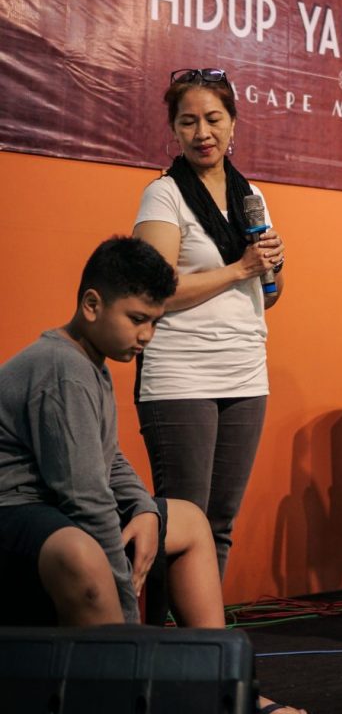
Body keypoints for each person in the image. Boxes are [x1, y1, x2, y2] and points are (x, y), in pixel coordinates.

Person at [0, 236, 304, 714]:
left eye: (155, 322)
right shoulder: (62, 367)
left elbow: (109, 459)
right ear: (92, 305)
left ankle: (223, 687)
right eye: (137, 319)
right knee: (81, 550)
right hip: (15, 509)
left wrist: (144, 509)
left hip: (49, 504)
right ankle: (131, 683)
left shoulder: (90, 362)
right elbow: (84, 497)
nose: (147, 335)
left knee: (190, 520)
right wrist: (130, 624)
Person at [133, 68, 284, 577]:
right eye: (189, 121)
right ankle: (160, 625)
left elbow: (269, 295)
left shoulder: (251, 196)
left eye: (214, 119)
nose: (203, 133)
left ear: (233, 123)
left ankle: (206, 625)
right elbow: (154, 290)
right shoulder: (164, 194)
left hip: (245, 370)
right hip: (180, 373)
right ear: (174, 130)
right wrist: (241, 267)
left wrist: (273, 264)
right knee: (181, 522)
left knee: (219, 522)